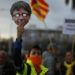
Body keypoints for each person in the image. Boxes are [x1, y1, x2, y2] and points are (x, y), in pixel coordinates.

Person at [10, 1, 48, 75]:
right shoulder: (25, 68)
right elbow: (17, 59)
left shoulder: (45, 71)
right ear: (27, 56)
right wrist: (18, 37)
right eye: (33, 53)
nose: (36, 55)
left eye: (38, 53)